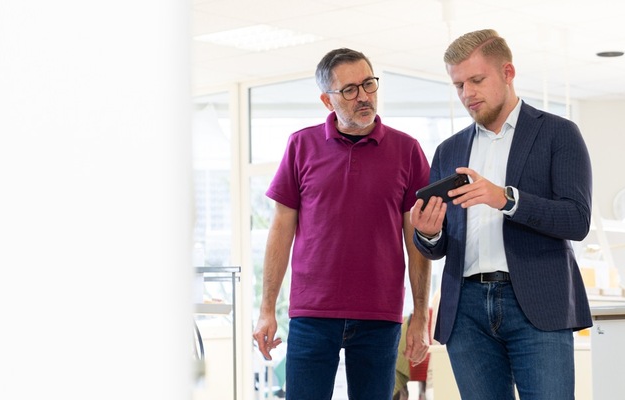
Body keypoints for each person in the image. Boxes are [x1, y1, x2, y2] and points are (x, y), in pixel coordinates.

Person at [410, 29, 593, 400]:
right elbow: (437, 246)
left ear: (508, 72)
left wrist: (507, 199)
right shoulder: (449, 150)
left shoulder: (559, 133)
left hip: (537, 304)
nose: (467, 94)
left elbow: (577, 220)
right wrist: (427, 234)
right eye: (458, 85)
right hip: (466, 312)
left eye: (477, 80)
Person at [252, 47, 432, 399]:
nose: (363, 96)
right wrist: (266, 309)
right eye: (350, 89)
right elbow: (280, 231)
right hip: (311, 312)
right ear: (326, 100)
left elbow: (417, 240)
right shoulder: (300, 146)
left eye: (369, 84)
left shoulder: (407, 150)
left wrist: (421, 317)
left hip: (380, 315)